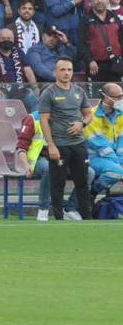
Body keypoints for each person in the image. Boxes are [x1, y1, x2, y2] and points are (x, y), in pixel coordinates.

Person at [39, 56, 93, 221]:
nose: (67, 73)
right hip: (60, 145)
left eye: (69, 69)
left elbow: (89, 115)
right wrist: (51, 146)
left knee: (83, 183)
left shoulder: (79, 91)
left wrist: (81, 124)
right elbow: (43, 121)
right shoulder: (48, 93)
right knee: (58, 184)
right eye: (62, 69)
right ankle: (59, 219)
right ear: (55, 72)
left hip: (78, 143)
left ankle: (87, 218)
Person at [16, 110, 94, 221]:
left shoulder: (67, 117)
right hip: (39, 159)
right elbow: (21, 146)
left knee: (89, 173)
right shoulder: (32, 119)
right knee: (48, 169)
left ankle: (70, 208)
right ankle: (43, 209)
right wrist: (25, 166)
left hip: (62, 159)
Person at [0, 28, 39, 112]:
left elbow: (28, 71)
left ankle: (34, 123)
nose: (6, 40)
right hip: (1, 89)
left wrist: (35, 87)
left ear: (13, 40)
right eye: (3, 38)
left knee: (37, 100)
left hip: (20, 89)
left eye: (9, 39)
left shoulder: (19, 51)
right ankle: (2, 125)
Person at [77, 0, 123, 82]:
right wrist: (89, 61)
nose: (100, 1)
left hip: (116, 65)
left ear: (107, 0)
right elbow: (81, 43)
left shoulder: (115, 18)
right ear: (92, 2)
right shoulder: (85, 20)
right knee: (96, 95)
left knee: (115, 94)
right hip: (95, 66)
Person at [85, 83, 123, 195]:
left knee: (118, 170)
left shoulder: (121, 115)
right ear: (107, 97)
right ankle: (92, 193)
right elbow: (101, 146)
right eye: (119, 97)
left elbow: (122, 143)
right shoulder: (91, 116)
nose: (121, 100)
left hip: (114, 159)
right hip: (93, 157)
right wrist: (118, 164)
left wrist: (121, 161)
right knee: (116, 172)